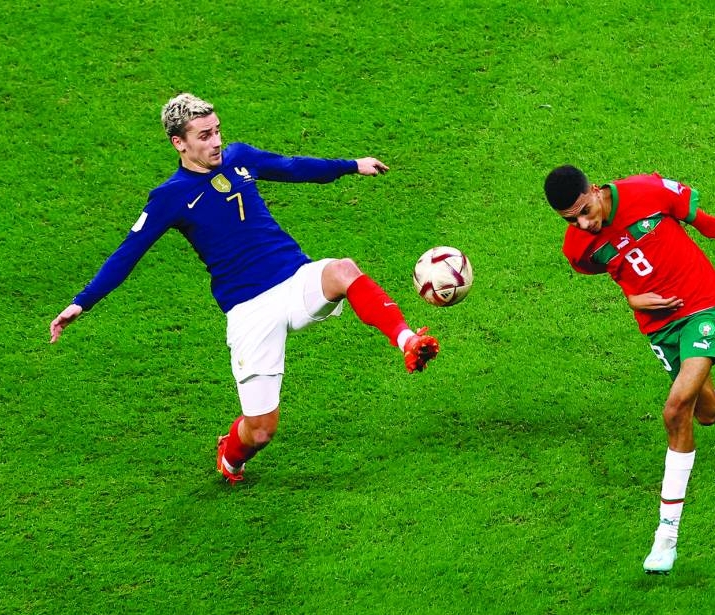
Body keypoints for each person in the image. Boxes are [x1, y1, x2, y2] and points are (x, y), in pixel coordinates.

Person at [50, 93, 439, 486]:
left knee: (343, 270)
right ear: (179, 143)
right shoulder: (171, 196)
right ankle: (230, 457)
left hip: (293, 279)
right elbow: (127, 253)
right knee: (261, 431)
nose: (216, 141)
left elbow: (292, 167)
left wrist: (351, 166)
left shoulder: (238, 157)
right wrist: (80, 303)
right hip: (249, 312)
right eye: (204, 136)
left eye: (217, 131)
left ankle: (407, 341)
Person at [543, 165, 715, 574]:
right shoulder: (577, 249)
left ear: (595, 190)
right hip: (661, 328)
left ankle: (665, 539)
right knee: (706, 412)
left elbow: (705, 224)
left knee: (676, 410)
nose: (584, 223)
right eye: (572, 219)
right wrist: (634, 301)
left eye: (585, 210)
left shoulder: (647, 192)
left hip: (704, 305)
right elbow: (620, 268)